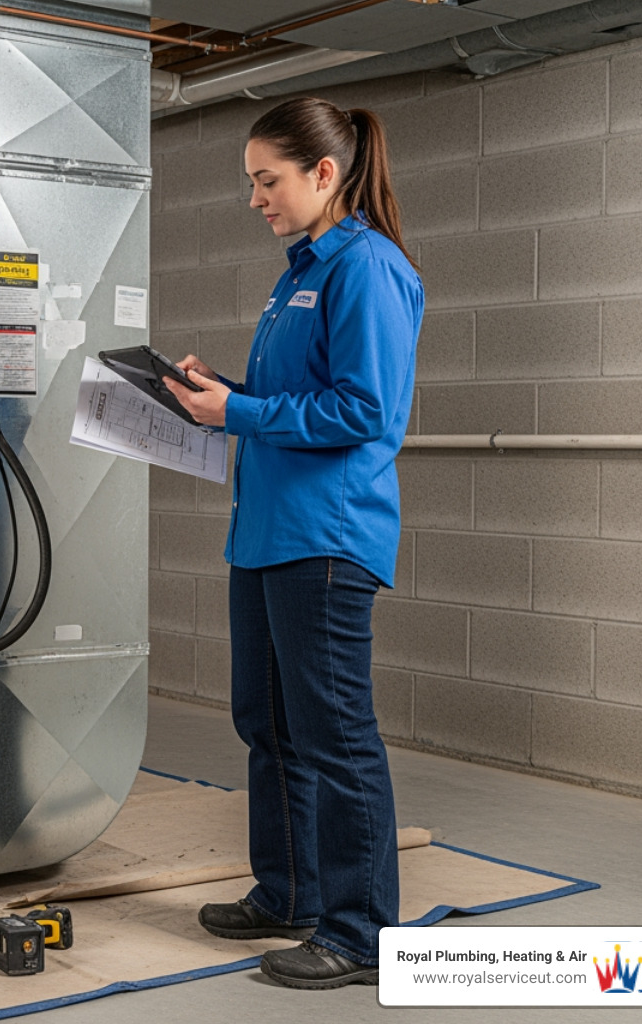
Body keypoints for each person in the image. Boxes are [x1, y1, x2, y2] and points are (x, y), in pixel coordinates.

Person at [162, 97, 423, 990]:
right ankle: (290, 893)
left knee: (335, 735)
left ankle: (361, 933)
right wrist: (220, 394)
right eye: (251, 183)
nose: (255, 199)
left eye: (266, 180)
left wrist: (237, 412)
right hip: (267, 533)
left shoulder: (367, 268)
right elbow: (293, 402)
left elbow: (364, 411)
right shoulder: (300, 272)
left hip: (325, 537)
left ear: (324, 173)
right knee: (267, 723)